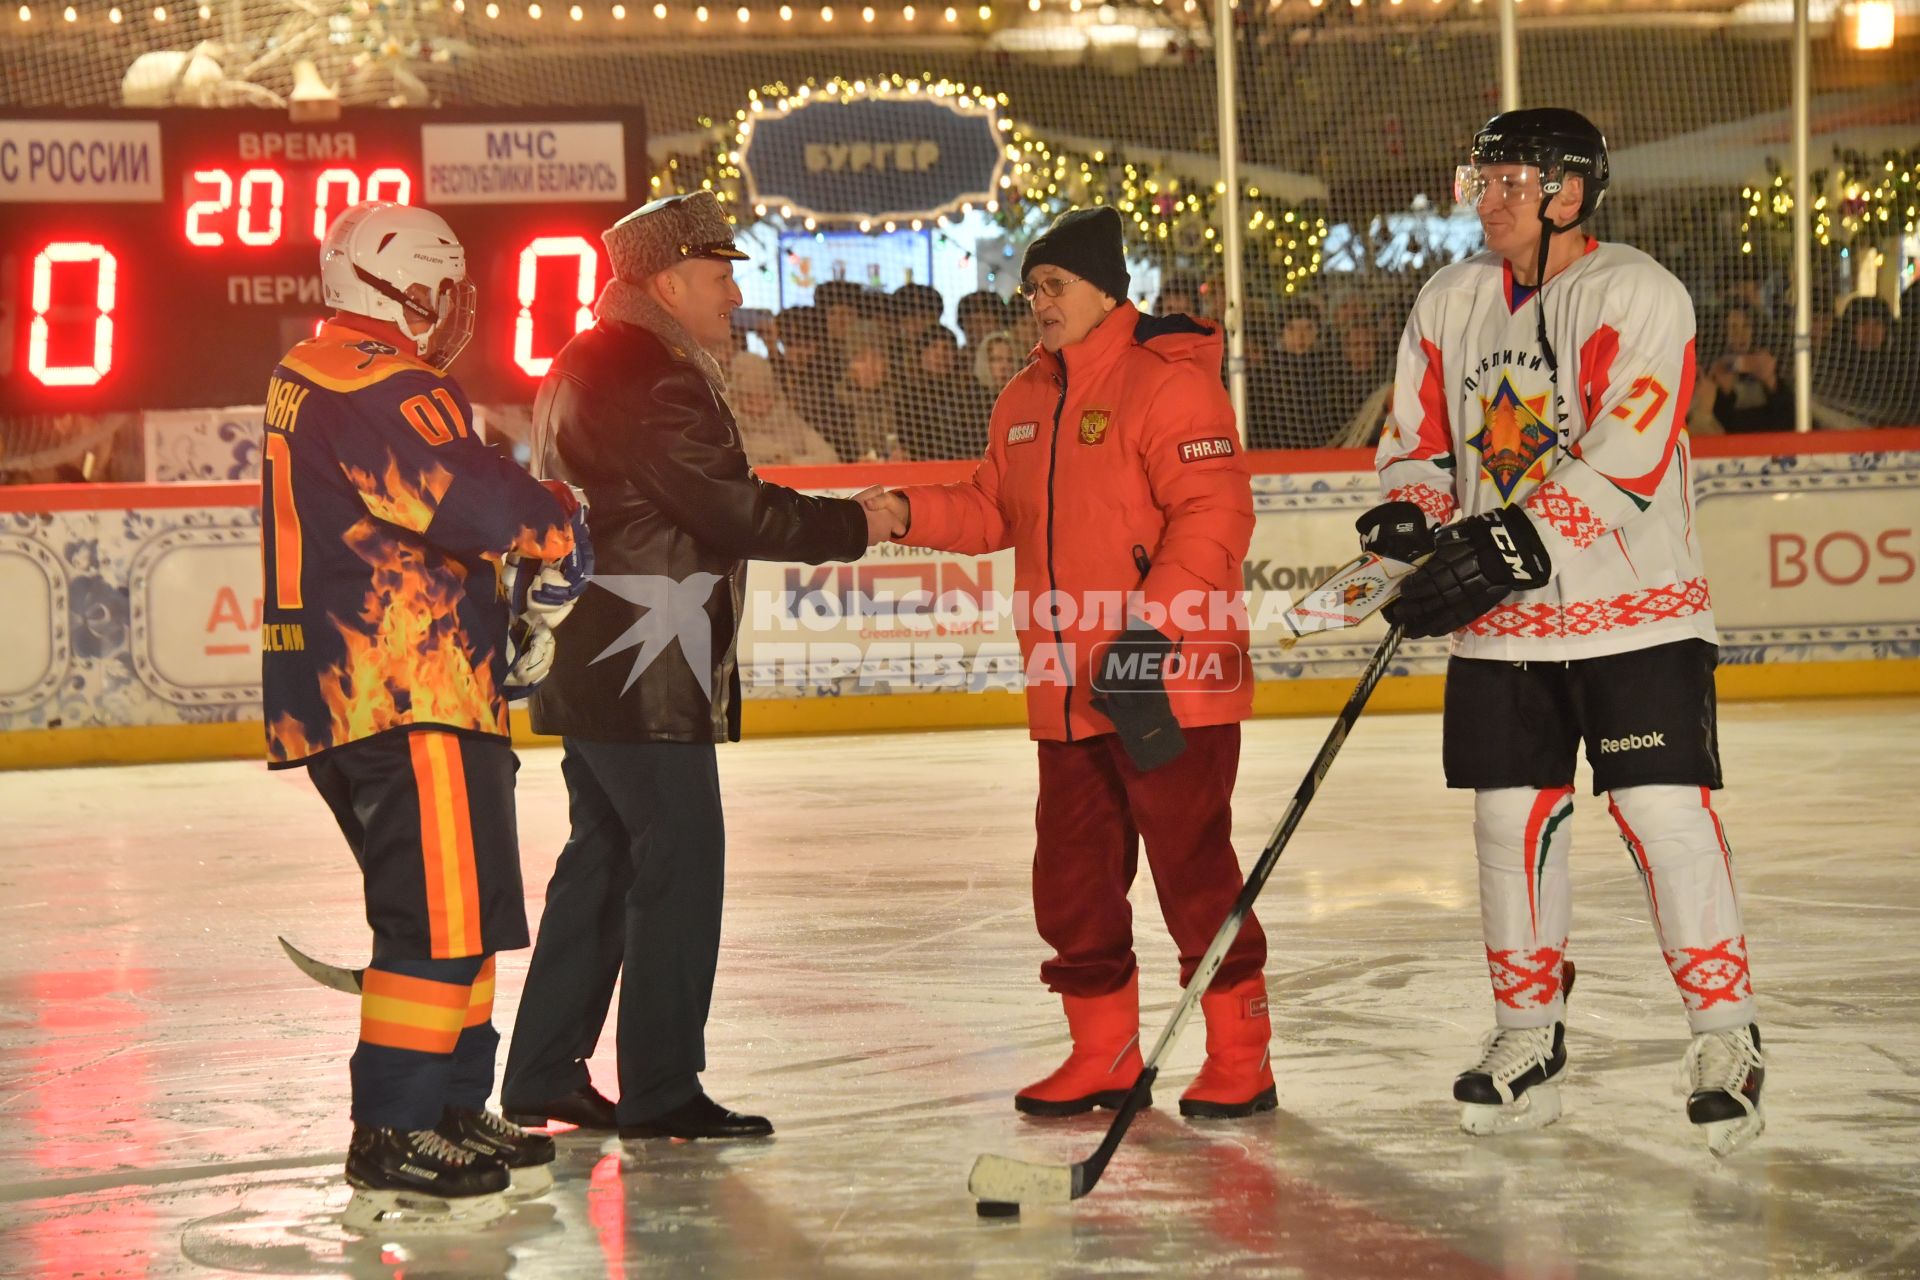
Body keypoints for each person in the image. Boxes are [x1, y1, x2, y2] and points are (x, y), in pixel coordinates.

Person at [1364, 108, 1766, 1157]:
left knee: (1662, 812)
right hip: (1504, 632)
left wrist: (1503, 543)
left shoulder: (1637, 292)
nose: (1484, 201)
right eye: (1478, 181)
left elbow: (1629, 451)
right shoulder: (1448, 301)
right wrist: (1412, 514)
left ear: (1569, 193)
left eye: (1506, 183)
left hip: (1639, 614)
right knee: (1509, 825)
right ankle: (1525, 1032)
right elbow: (1412, 441)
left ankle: (1726, 1034)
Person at [501, 192, 899, 1141]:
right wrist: (860, 521)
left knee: (603, 858)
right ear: (667, 279)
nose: (734, 296)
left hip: (601, 652)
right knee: (679, 862)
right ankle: (662, 1087)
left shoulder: (591, 358)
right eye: (720, 278)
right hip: (647, 661)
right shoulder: (649, 370)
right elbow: (730, 510)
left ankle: (544, 1070)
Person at [863, 206, 1275, 1121]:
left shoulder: (1168, 387)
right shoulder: (1024, 398)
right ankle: (1104, 1053)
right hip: (1067, 694)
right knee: (1074, 881)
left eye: (1052, 287)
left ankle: (1241, 1053)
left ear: (1103, 291)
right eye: (1031, 289)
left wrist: (1148, 635)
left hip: (1165, 687)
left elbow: (1215, 518)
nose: (1037, 304)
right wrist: (904, 513)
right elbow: (990, 509)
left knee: (1192, 870)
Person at [261, 201, 587, 1227]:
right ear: (413, 292)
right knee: (438, 918)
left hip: (403, 688)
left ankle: (453, 1099)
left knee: (470, 913)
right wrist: (563, 525)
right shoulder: (373, 378)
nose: (456, 313)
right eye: (445, 291)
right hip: (406, 689)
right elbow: (476, 498)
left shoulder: (324, 371)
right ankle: (395, 1126)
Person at [1706, 303, 1790, 433]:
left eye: (1746, 326)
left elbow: (1786, 417)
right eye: (1733, 327)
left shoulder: (1766, 362)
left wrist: (1771, 383)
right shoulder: (1715, 369)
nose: (1740, 334)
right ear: (1723, 331)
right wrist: (1725, 392)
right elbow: (1720, 423)